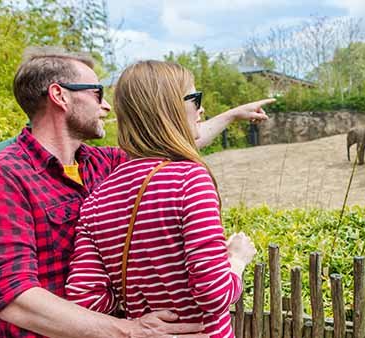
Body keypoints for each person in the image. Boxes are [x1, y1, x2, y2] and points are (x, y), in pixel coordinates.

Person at [0, 46, 272, 338]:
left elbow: (166, 140)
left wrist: (232, 115)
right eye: (97, 93)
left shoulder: (103, 166)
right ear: (60, 95)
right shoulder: (8, 174)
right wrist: (130, 330)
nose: (106, 106)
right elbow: (13, 297)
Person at [65, 60, 257, 337]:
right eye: (195, 98)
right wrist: (236, 260)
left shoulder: (97, 199)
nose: (201, 109)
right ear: (168, 108)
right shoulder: (190, 179)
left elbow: (86, 299)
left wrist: (138, 304)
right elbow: (214, 294)